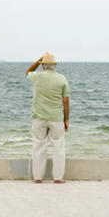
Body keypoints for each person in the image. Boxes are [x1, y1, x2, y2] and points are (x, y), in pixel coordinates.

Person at [25, 52, 70, 183]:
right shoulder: (62, 79)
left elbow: (28, 71)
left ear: (43, 65)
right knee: (58, 148)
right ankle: (58, 178)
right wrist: (66, 119)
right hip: (56, 118)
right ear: (54, 65)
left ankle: (38, 177)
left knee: (38, 147)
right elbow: (66, 101)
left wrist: (38, 61)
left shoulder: (37, 77)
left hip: (39, 117)